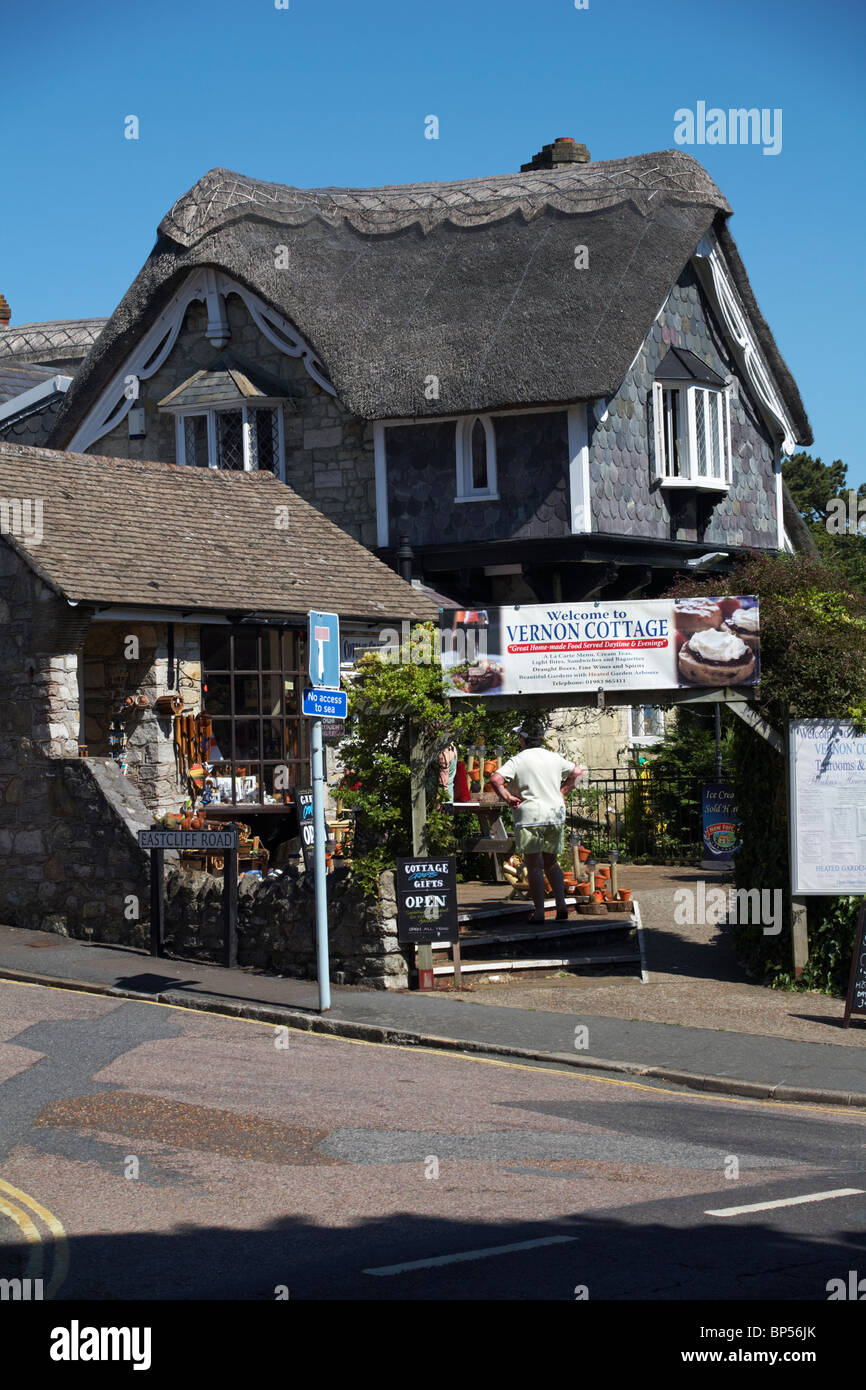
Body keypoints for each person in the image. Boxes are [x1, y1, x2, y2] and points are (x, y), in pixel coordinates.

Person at [489, 720, 585, 923]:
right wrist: (562, 792)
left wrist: (508, 798)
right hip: (553, 815)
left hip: (529, 817)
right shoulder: (554, 757)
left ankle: (539, 912)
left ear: (523, 738)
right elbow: (578, 773)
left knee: (533, 866)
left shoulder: (518, 760)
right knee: (552, 862)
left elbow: (496, 779)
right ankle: (561, 906)